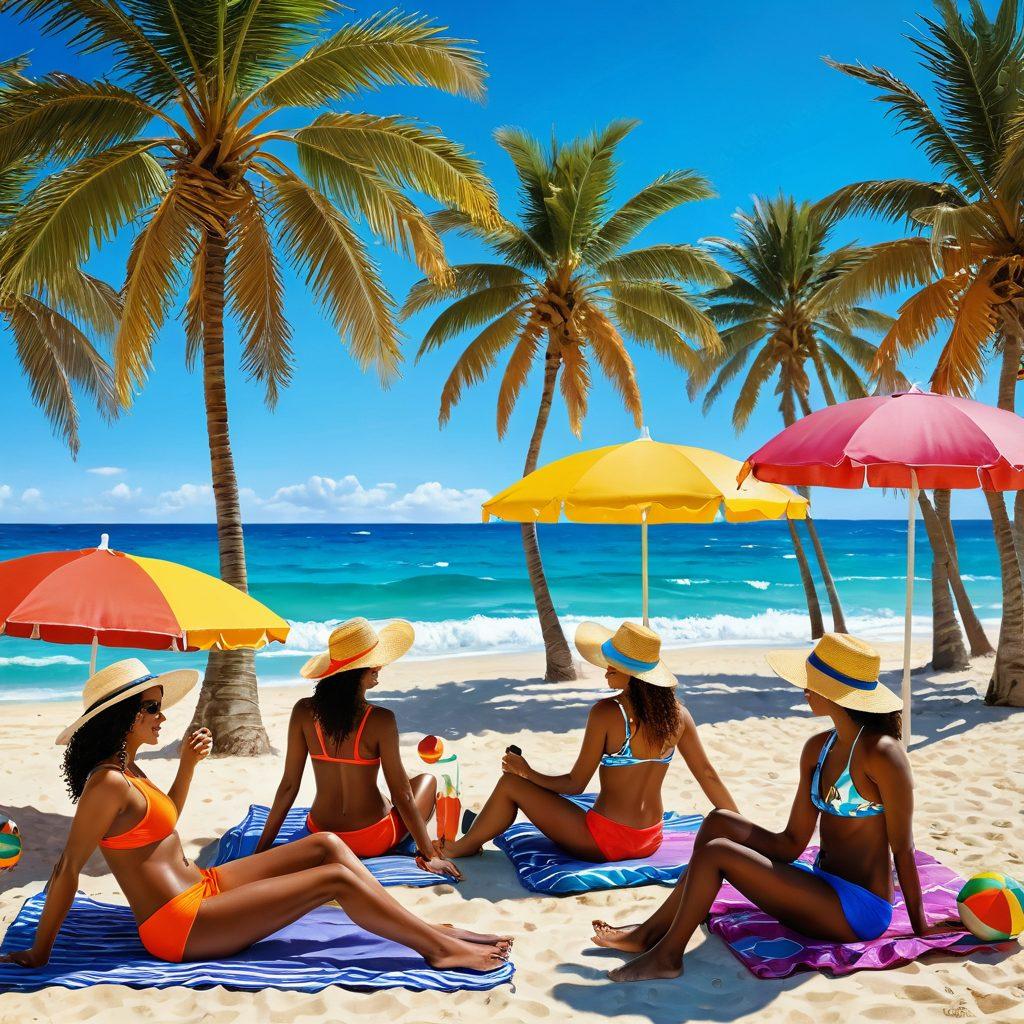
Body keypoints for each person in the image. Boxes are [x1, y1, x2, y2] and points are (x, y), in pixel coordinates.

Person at [0, 658, 507, 969]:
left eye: (157, 706)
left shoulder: (128, 768)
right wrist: (41, 951)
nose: (163, 716)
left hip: (204, 886)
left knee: (328, 845)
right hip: (178, 924)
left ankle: (424, 928)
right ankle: (437, 947)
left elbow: (164, 819)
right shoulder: (107, 782)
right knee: (335, 878)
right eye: (152, 709)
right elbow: (67, 869)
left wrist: (190, 766)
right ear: (122, 718)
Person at [592, 633, 958, 983]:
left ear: (833, 692)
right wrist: (739, 838)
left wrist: (921, 925)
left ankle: (668, 957)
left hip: (858, 909)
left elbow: (903, 849)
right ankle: (650, 933)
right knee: (720, 821)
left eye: (811, 681)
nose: (804, 687)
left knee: (718, 853)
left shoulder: (884, 755)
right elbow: (792, 842)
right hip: (819, 884)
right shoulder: (819, 748)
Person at [441, 621, 737, 862]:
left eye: (614, 665)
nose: (606, 668)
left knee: (510, 786)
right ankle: (475, 834)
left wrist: (525, 771)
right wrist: (743, 829)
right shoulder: (678, 716)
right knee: (575, 801)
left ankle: (463, 847)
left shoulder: (608, 713)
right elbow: (708, 776)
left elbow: (574, 784)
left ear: (636, 676)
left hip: (606, 841)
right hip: (650, 839)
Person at [255, 617, 459, 879]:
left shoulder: (303, 711)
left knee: (400, 788)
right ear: (356, 672)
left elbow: (288, 786)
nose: (380, 666)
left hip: (321, 832)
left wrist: (260, 850)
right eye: (372, 662)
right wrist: (429, 854)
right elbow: (403, 795)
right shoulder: (381, 719)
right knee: (427, 781)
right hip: (371, 838)